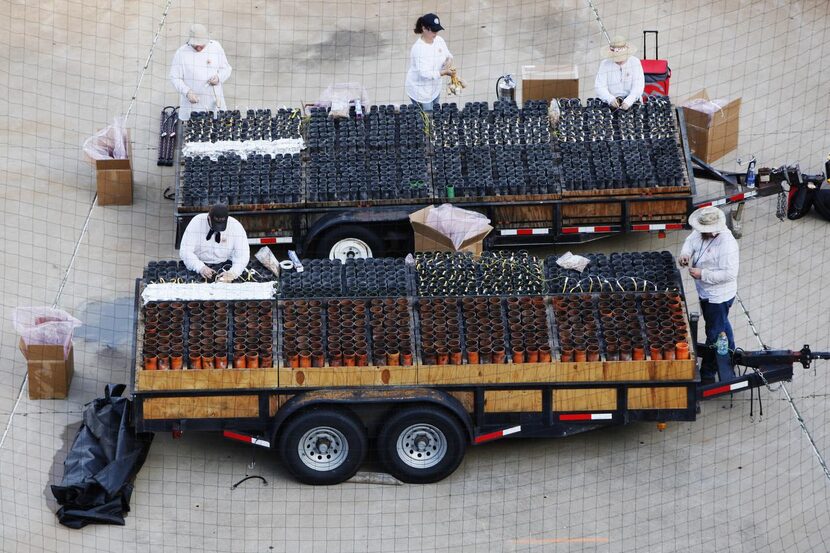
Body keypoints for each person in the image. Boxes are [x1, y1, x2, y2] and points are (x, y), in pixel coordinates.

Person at [678, 206, 740, 383]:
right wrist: (685, 254)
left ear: (714, 230)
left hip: (718, 296)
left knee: (713, 332)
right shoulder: (701, 233)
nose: (701, 233)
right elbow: (690, 240)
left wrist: (702, 274)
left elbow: (729, 274)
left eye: (705, 231)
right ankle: (731, 351)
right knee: (721, 324)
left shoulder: (727, 245)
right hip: (706, 292)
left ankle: (708, 373)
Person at [169, 23, 232, 121]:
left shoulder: (215, 47)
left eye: (202, 45)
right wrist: (187, 92)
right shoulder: (181, 53)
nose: (199, 48)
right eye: (196, 45)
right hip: (192, 105)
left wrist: (219, 78)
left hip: (214, 102)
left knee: (217, 129)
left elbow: (227, 69)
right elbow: (175, 78)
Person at [180, 204, 249, 282]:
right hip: (198, 263)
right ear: (209, 217)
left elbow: (243, 255)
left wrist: (233, 273)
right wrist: (200, 267)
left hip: (224, 264)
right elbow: (185, 251)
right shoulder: (196, 222)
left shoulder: (236, 226)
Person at [405, 13, 455, 112]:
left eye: (437, 30)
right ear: (424, 29)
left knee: (435, 114)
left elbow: (448, 55)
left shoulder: (439, 40)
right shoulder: (418, 49)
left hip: (434, 88)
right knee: (427, 118)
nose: (436, 33)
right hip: (421, 92)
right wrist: (444, 72)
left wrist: (449, 61)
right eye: (433, 30)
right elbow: (424, 74)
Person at [594, 36, 645, 110]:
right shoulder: (604, 64)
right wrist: (610, 99)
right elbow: (599, 86)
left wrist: (629, 101)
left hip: (632, 101)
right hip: (610, 103)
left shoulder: (635, 62)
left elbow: (638, 86)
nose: (619, 60)